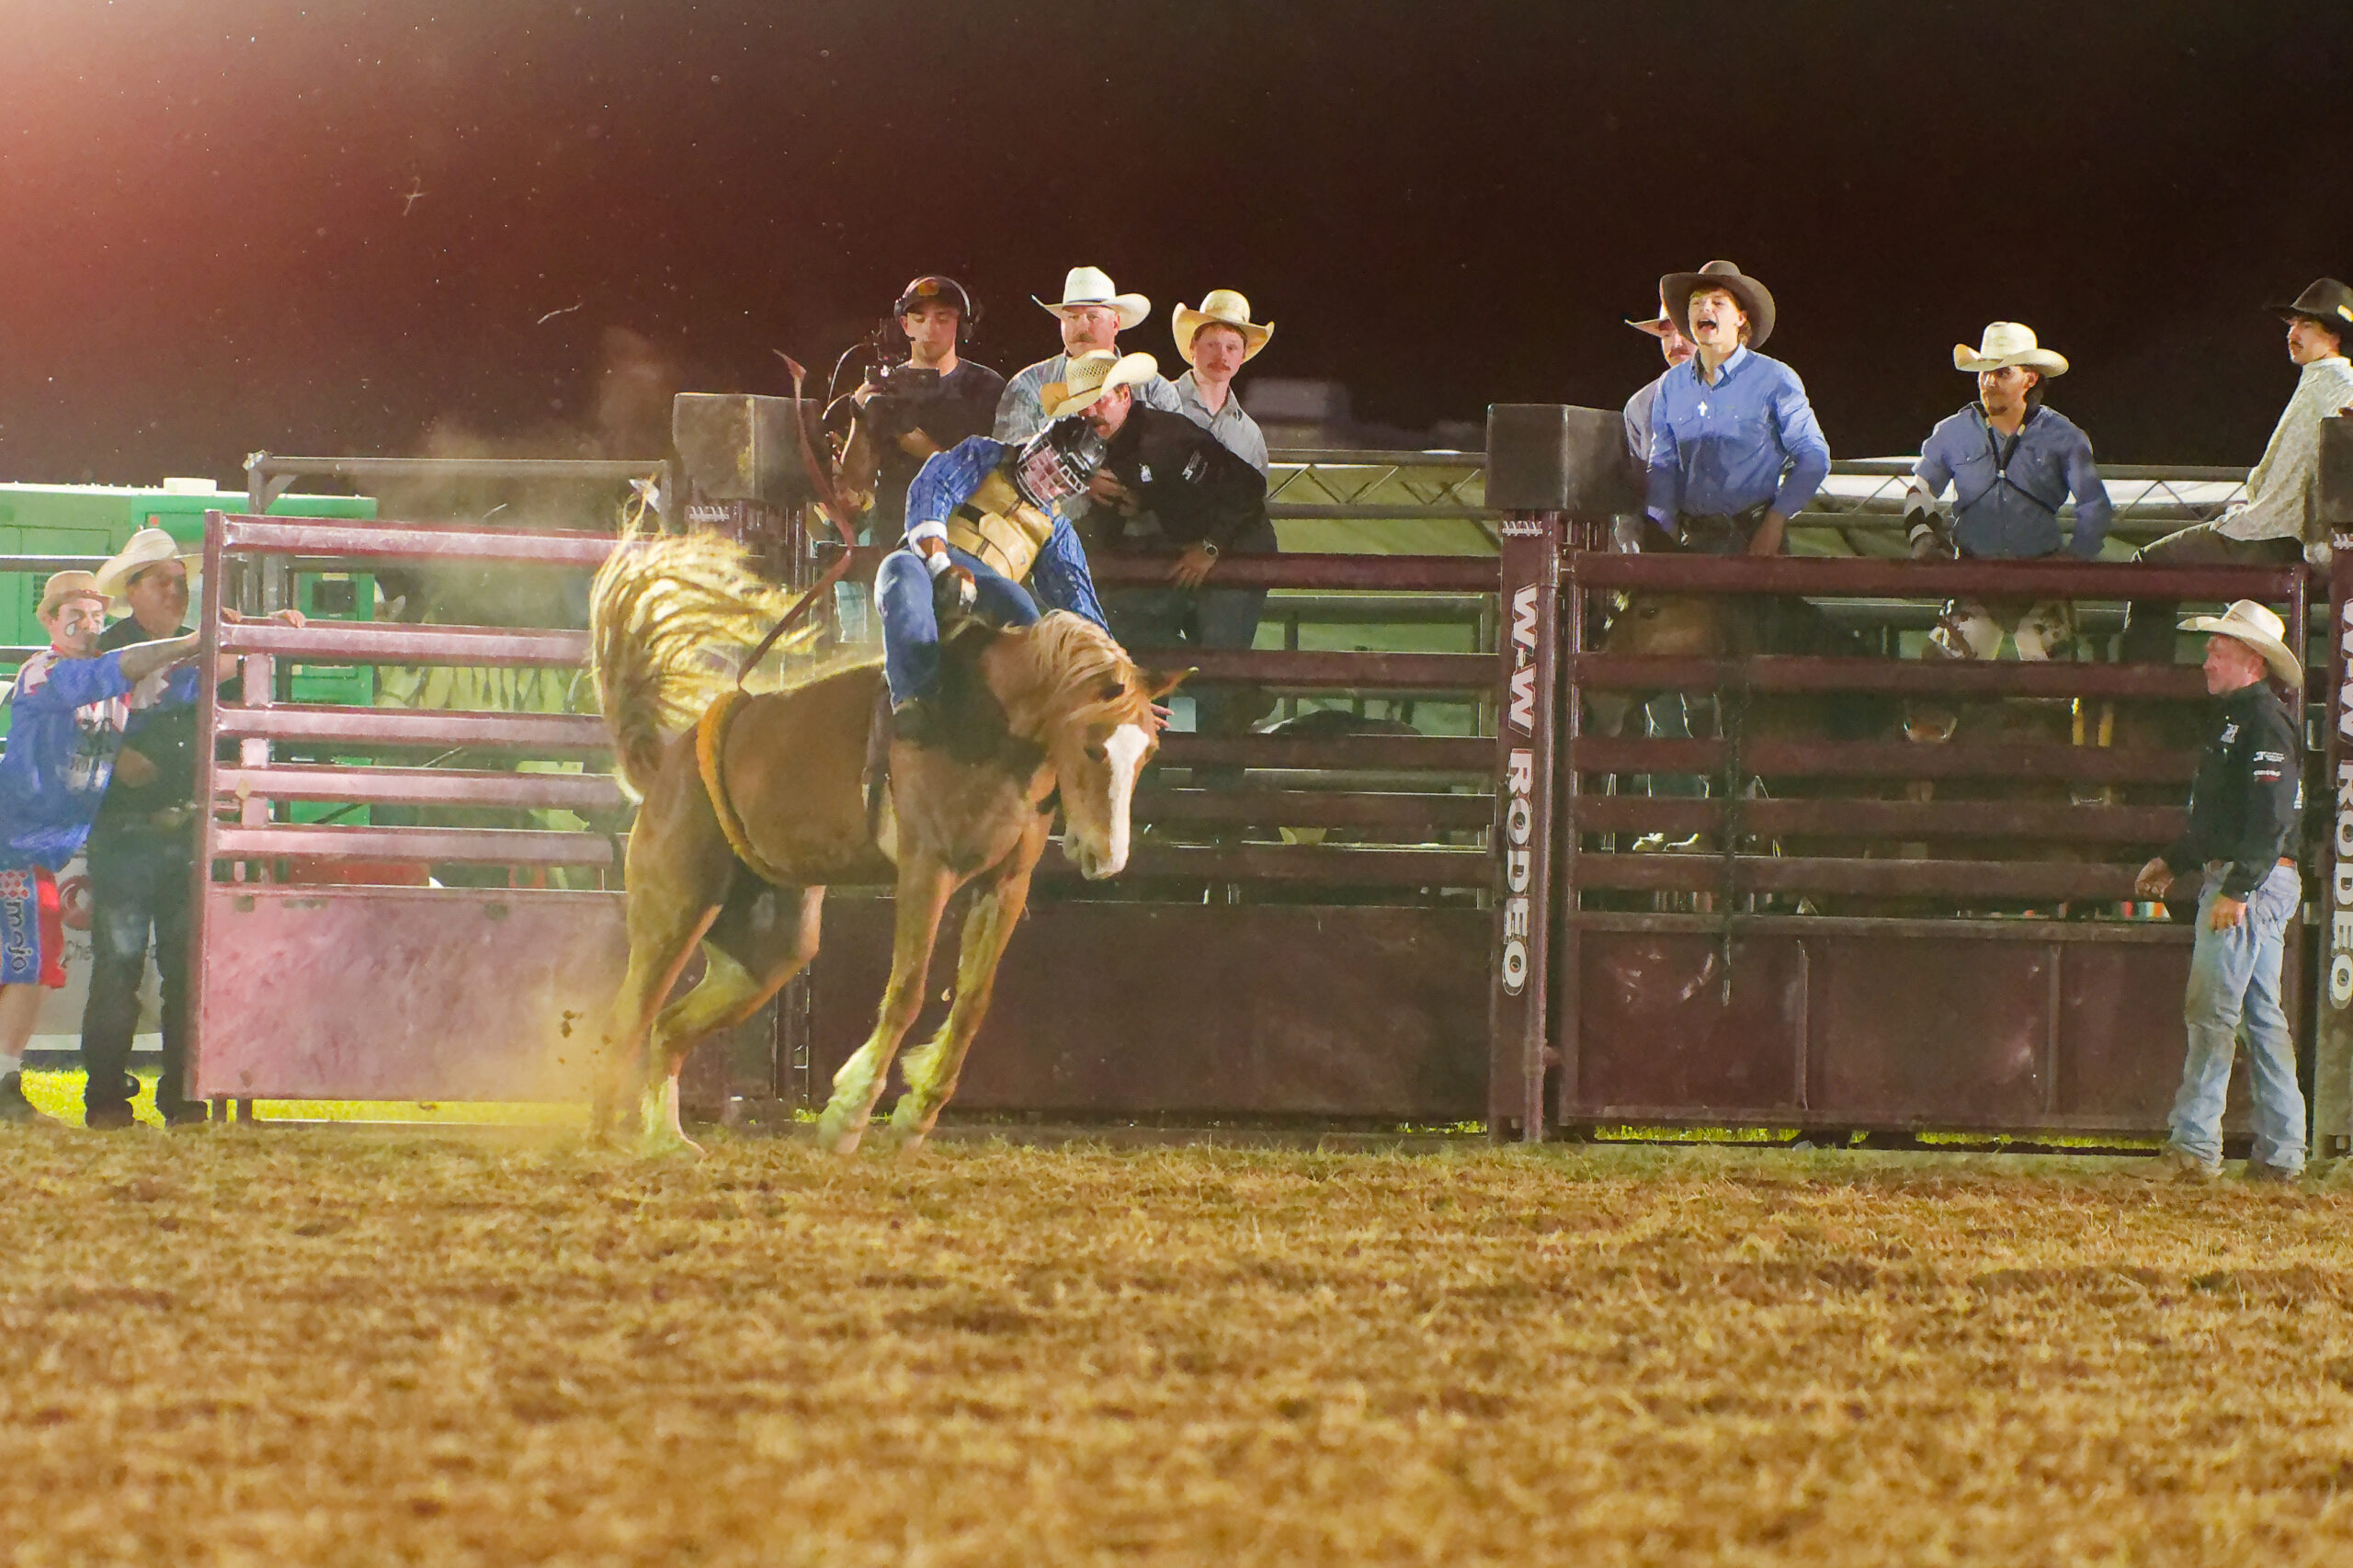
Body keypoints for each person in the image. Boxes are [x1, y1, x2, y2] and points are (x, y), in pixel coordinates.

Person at [0, 573, 202, 1122]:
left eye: (95, 616)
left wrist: (242, 637)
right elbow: (121, 670)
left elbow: (174, 683)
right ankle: (3, 1087)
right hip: (12, 845)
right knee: (32, 965)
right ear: (46, 619)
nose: (88, 625)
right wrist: (189, 641)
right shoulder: (45, 671)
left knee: (30, 964)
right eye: (75, 613)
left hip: (31, 848)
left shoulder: (104, 684)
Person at [2129, 600, 2306, 1183]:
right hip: (2257, 876)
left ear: (2250, 661)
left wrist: (2236, 885)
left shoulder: (2258, 723)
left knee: (2213, 1010)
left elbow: (2268, 815)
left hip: (2247, 881)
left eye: (2218, 650)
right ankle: (2281, 1151)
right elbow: (2248, 814)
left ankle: (2195, 1145)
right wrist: (2177, 860)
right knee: (2256, 1014)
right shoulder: (2251, 719)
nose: (2207, 658)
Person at [877, 351, 1135, 743]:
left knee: (1023, 612)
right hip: (928, 558)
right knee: (899, 575)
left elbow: (1076, 595)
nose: (1047, 479)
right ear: (1038, 444)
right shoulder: (985, 455)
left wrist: (1116, 673)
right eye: (1048, 462)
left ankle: (1027, 723)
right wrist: (940, 563)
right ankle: (913, 699)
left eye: (1060, 479)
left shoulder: (1056, 529)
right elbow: (935, 485)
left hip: (991, 585)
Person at [2120, 278, 2353, 665]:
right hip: (2279, 533)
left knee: (2150, 565)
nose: (2292, 333)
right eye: (2291, 325)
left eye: (2305, 326)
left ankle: (2142, 694)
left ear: (2333, 334)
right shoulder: (2321, 378)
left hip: (2269, 533)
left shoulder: (2337, 380)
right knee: (2239, 626)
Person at [76, 531, 226, 1128]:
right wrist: (115, 758)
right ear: (133, 590)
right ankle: (115, 1096)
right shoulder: (107, 652)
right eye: (162, 579)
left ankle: (160, 1094)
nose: (175, 588)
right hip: (131, 827)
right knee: (125, 962)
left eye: (179, 580)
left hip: (172, 825)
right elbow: (76, 728)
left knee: (175, 966)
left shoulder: (118, 650)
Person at [1085, 329, 1276, 782]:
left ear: (1125, 395)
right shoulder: (1124, 440)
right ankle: (1199, 775)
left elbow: (1248, 487)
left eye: (1103, 399)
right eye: (1084, 403)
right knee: (1137, 628)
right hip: (1193, 546)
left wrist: (1210, 547)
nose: (1093, 412)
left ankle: (1214, 792)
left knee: (1215, 659)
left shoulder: (1162, 438)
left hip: (1234, 550)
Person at [1907, 323, 2113, 661]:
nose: (1989, 382)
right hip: (1977, 579)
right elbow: (1920, 489)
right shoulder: (1952, 432)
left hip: (2038, 582)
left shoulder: (2064, 436)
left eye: (2001, 373)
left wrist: (2073, 560)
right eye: (1984, 373)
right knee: (1937, 684)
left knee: (2053, 693)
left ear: (2029, 379)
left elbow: (2095, 506)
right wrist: (1922, 538)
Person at [1643, 260, 1830, 556]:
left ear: (1740, 318)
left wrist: (1775, 522)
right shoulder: (1670, 385)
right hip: (1691, 539)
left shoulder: (1775, 378)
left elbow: (1814, 456)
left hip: (1753, 537)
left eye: (1718, 302)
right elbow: (1662, 464)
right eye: (1696, 303)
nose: (1705, 309)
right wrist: (1663, 531)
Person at [839, 277, 1006, 541]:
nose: (930, 328)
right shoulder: (886, 388)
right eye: (919, 318)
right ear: (904, 325)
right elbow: (856, 480)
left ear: (960, 327)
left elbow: (997, 483)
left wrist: (927, 450)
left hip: (964, 536)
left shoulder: (987, 388)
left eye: (942, 319)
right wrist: (858, 417)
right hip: (894, 534)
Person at [995, 267, 1181, 446]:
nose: (1082, 327)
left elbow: (1179, 457)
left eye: (1093, 316)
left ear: (1115, 323)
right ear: (1061, 324)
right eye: (1073, 317)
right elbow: (1011, 463)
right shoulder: (1027, 386)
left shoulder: (1155, 391)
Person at [1168, 290, 1272, 477]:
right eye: (1212, 344)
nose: (1222, 355)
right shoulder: (1159, 402)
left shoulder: (1249, 434)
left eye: (1231, 348)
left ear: (1243, 356)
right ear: (1193, 345)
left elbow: (1254, 500)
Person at [1621, 293, 1698, 483]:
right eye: (1666, 335)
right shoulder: (1641, 405)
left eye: (1684, 331)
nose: (1676, 344)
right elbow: (1640, 487)